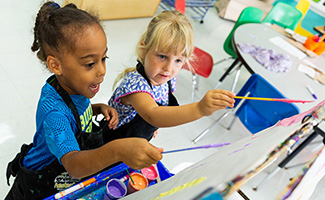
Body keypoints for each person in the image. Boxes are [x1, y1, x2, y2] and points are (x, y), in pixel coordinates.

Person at [5, 2, 162, 199]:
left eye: (104, 58)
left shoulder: (72, 87)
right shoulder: (54, 115)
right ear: (56, 65)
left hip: (60, 179)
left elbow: (75, 113)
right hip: (37, 183)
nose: (102, 70)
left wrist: (98, 108)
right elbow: (74, 165)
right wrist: (117, 150)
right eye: (90, 64)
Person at [104, 10, 235, 142]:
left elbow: (160, 111)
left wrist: (153, 127)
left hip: (135, 143)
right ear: (143, 51)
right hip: (112, 143)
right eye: (162, 56)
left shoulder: (167, 79)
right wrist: (199, 108)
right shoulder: (135, 85)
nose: (168, 68)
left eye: (178, 61)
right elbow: (152, 114)